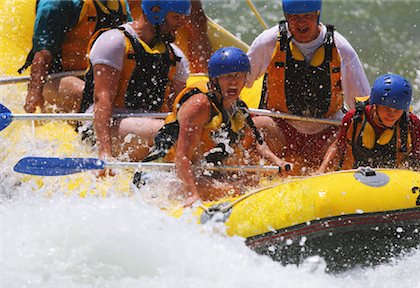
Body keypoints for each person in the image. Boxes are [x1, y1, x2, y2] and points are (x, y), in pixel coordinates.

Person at [134, 47, 292, 207]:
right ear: (215, 80)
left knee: (251, 180)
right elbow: (181, 157)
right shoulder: (199, 106)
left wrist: (277, 161)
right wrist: (191, 194)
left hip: (199, 169)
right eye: (227, 77)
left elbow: (259, 143)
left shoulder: (237, 106)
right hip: (164, 174)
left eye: (238, 76)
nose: (234, 82)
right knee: (234, 189)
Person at [246, 0, 370, 175]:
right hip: (281, 126)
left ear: (317, 15)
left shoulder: (341, 48)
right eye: (294, 17)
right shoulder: (268, 42)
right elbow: (241, 80)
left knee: (350, 134)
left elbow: (361, 103)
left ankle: (323, 174)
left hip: (326, 130)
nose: (301, 23)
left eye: (307, 16)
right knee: (256, 127)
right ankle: (253, 178)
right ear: (286, 17)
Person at [80, 0, 192, 175]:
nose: (181, 24)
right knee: (168, 133)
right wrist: (104, 152)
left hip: (145, 125)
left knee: (188, 131)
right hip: (103, 127)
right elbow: (102, 98)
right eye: (176, 17)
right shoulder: (115, 41)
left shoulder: (176, 56)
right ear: (156, 11)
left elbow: (177, 107)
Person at [21, 0, 132, 113]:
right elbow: (43, 52)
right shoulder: (56, 3)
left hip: (94, 79)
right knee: (89, 96)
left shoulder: (120, 5)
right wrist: (35, 91)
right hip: (54, 79)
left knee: (126, 96)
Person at [318, 74, 420, 174]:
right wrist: (321, 171)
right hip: (352, 176)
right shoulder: (353, 118)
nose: (392, 114)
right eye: (386, 108)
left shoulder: (413, 124)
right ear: (375, 105)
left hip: (391, 181)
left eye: (397, 110)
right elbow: (338, 147)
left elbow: (417, 158)